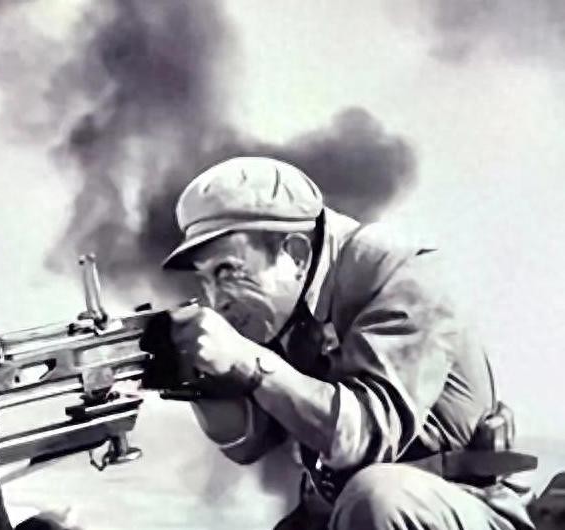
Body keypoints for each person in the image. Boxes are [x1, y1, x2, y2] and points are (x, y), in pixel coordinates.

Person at [161, 156, 535, 530]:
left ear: (295, 253)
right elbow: (248, 441)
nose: (216, 301)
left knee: (377, 496)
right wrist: (197, 380)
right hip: (341, 510)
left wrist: (249, 363)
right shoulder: (280, 303)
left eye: (227, 270)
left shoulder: (402, 272)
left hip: (460, 505)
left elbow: (365, 437)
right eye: (205, 280)